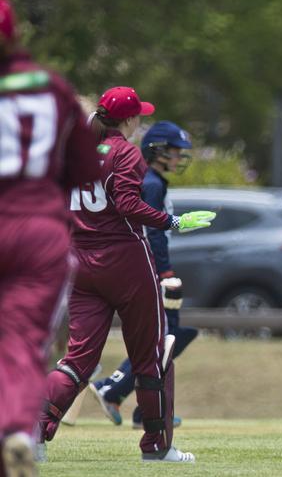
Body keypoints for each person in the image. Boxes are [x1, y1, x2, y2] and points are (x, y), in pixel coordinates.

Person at [38, 86, 216, 463]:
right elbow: (128, 204)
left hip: (80, 261)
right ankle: (156, 445)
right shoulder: (124, 152)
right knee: (150, 353)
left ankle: (34, 434)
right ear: (130, 119)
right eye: (139, 116)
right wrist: (175, 221)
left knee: (77, 360)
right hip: (125, 260)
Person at [0, 0, 100, 475]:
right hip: (39, 228)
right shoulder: (51, 87)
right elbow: (84, 171)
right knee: (20, 343)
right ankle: (18, 428)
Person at [90, 120, 198, 429]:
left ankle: (135, 404)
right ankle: (116, 391)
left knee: (170, 336)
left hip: (146, 269)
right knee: (164, 338)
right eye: (175, 153)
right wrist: (164, 271)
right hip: (150, 270)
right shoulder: (151, 183)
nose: (179, 159)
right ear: (158, 152)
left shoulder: (155, 181)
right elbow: (152, 231)